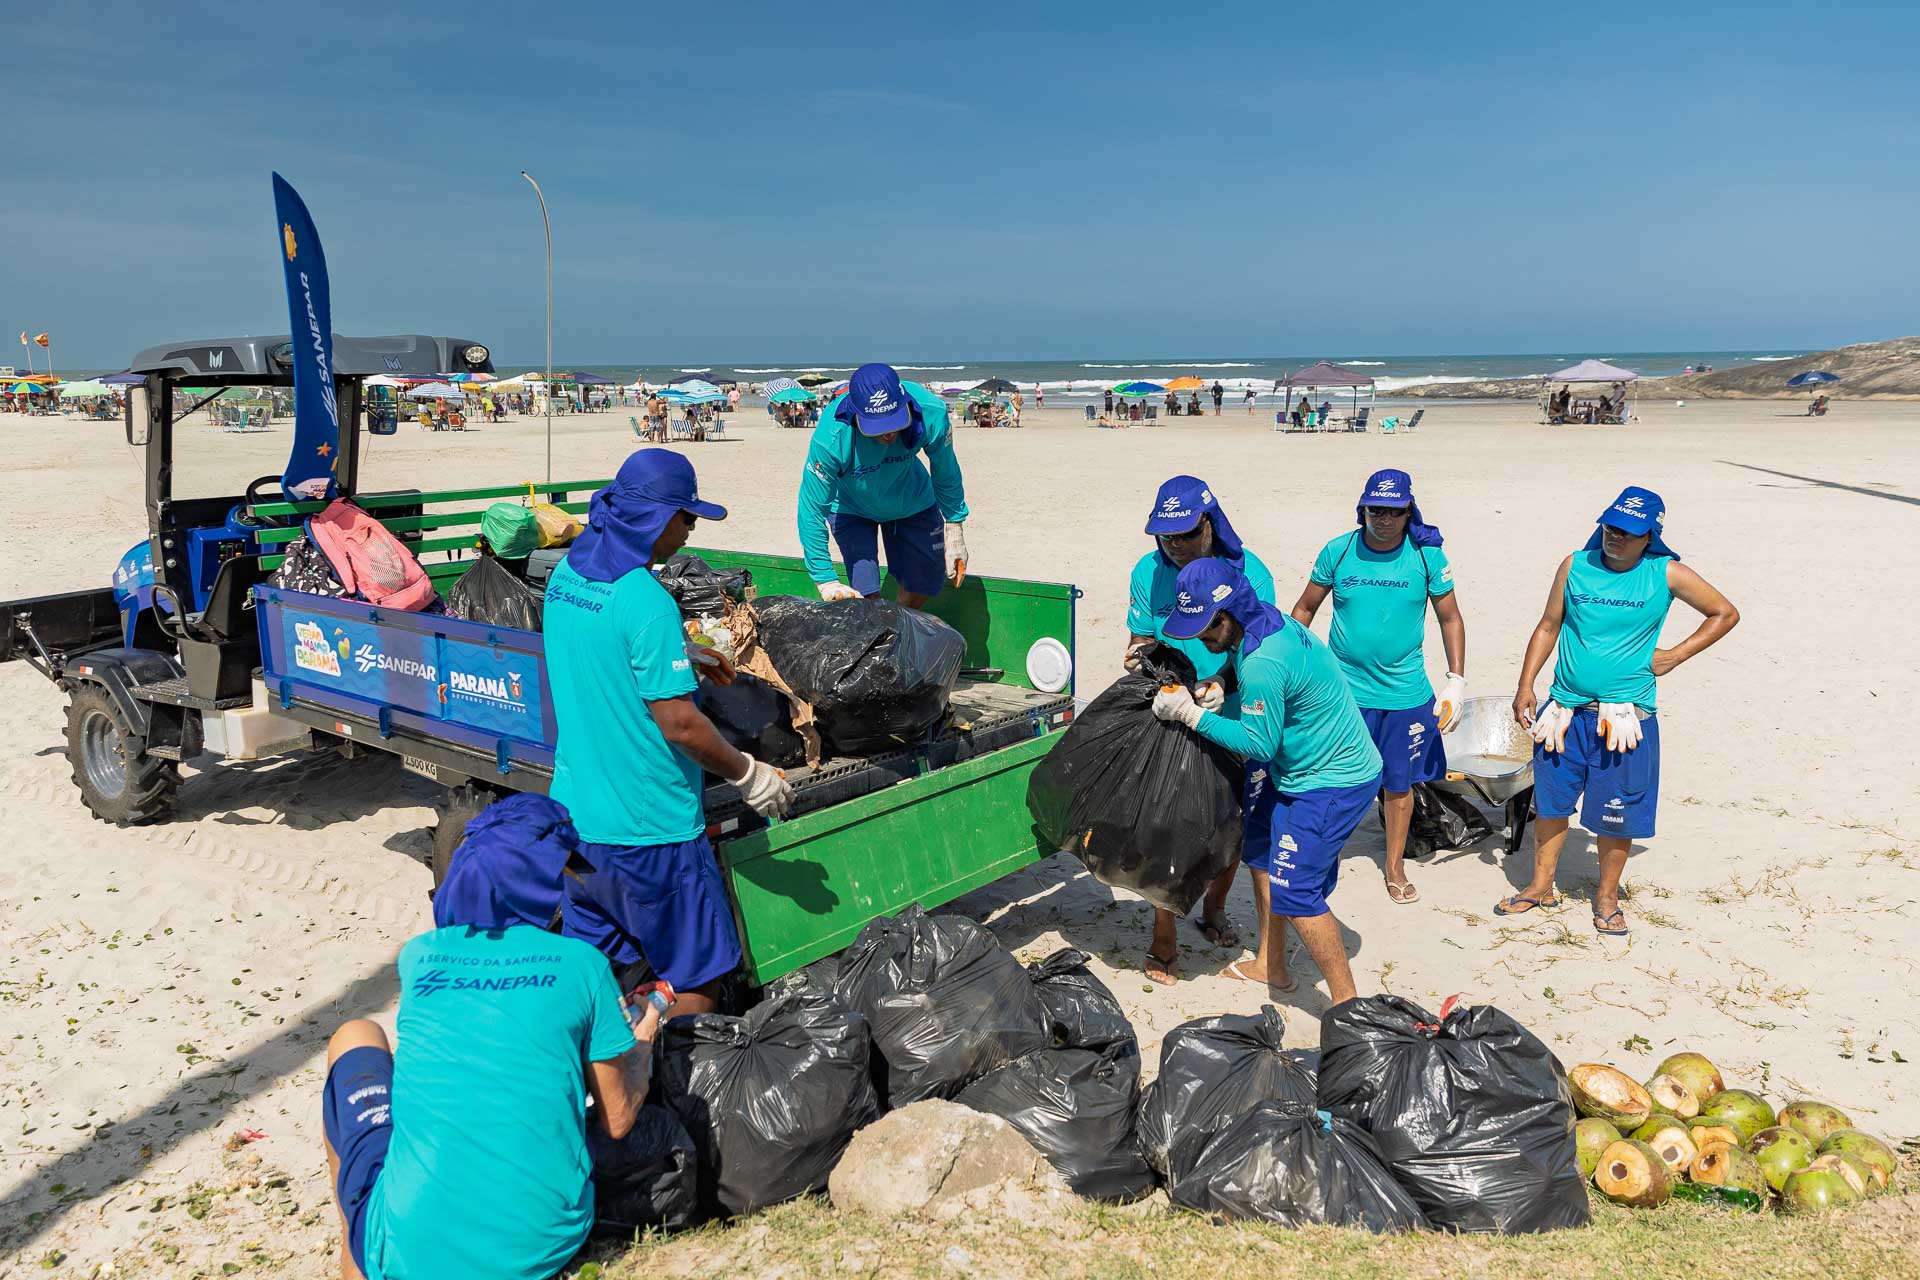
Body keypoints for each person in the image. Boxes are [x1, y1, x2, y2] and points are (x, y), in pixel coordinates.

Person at [320, 794, 664, 1280]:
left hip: (414, 1254)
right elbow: (619, 1118)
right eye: (559, 878)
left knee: (354, 1035)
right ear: (535, 886)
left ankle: (358, 1255)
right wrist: (642, 1045)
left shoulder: (419, 959)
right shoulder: (583, 966)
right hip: (541, 1240)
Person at [544, 450, 794, 1015]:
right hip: (650, 830)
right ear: (655, 518)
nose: (690, 531)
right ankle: (678, 1084)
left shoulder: (566, 576)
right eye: (686, 518)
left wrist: (682, 655)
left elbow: (599, 647)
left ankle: (611, 1081)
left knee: (598, 972)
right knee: (698, 974)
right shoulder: (647, 600)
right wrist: (748, 774)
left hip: (579, 823)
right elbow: (680, 724)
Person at [1503, 486, 1739, 935]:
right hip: (1564, 713)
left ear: (1649, 534)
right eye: (1611, 527)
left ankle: (1607, 897)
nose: (1616, 537)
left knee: (1617, 810)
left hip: (1625, 719)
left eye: (1628, 532)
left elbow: (1724, 613)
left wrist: (1676, 655)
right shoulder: (1575, 565)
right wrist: (1525, 685)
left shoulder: (1665, 573)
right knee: (1551, 804)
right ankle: (1539, 886)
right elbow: (1549, 625)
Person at [1152, 558, 1383, 1000]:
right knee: (1259, 851)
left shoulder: (1264, 662)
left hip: (1333, 780)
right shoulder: (1263, 620)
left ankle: (1348, 1008)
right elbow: (1249, 681)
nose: (1200, 636)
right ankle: (1270, 964)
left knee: (1296, 891)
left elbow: (1258, 745)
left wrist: (1190, 714)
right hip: (1291, 770)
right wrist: (1223, 681)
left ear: (1229, 613)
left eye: (1204, 627)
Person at [1124, 476, 1278, 984]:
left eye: (1187, 535)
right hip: (1171, 713)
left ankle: (1214, 908)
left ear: (1211, 524)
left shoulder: (1250, 571)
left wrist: (1218, 681)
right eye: (1167, 538)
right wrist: (1138, 658)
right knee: (1169, 830)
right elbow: (1142, 637)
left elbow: (1259, 645)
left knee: (1231, 831)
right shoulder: (1148, 573)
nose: (1177, 547)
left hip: (1232, 713)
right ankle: (1164, 935)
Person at [1289, 470, 1467, 904]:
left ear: (1409, 511)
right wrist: (1292, 667)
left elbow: (1450, 618)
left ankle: (1394, 865)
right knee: (1328, 778)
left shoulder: (1427, 557)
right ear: (1362, 509)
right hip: (1342, 692)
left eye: (1394, 511)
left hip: (1404, 694)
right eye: (1376, 510)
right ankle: (1322, 857)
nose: (1384, 519)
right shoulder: (1340, 550)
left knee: (1398, 785)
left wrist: (1456, 679)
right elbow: (1305, 609)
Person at [797, 362, 970, 608]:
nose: (888, 434)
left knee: (925, 583)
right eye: (877, 427)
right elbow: (811, 510)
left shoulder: (931, 412)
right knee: (864, 595)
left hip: (912, 499)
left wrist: (954, 525)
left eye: (894, 423)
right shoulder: (831, 438)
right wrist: (825, 579)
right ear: (855, 414)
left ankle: (898, 628)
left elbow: (945, 469)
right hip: (850, 506)